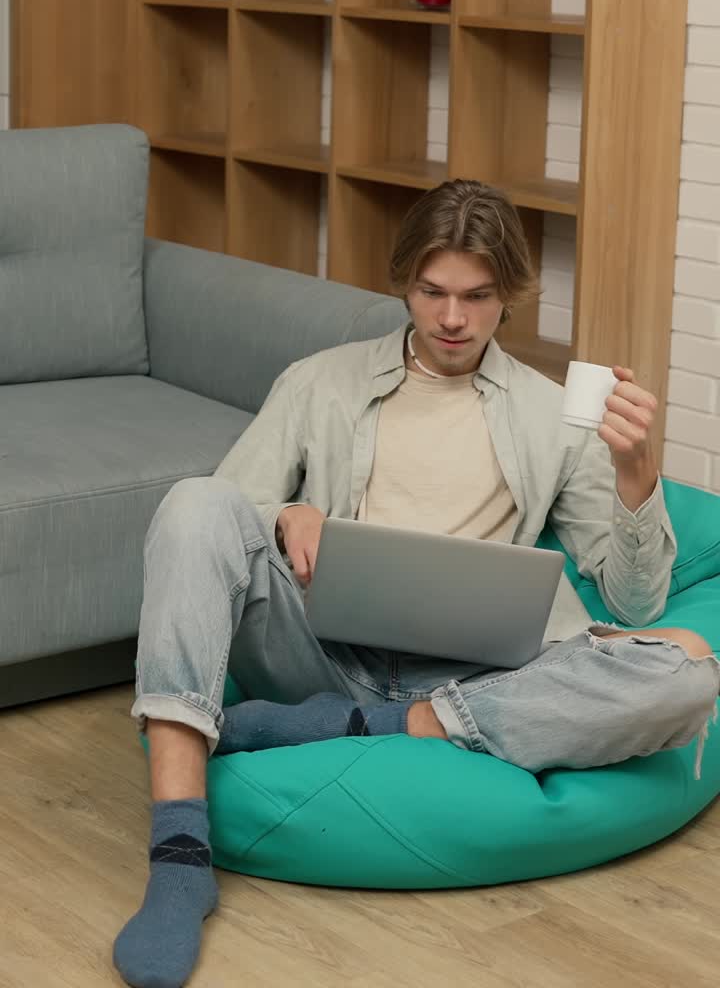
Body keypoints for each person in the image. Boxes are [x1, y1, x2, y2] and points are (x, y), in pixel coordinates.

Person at [114, 180, 719, 988]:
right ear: (404, 282)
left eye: (477, 296)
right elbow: (222, 518)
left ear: (510, 298)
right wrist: (290, 511)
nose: (452, 319)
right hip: (319, 648)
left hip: (480, 677)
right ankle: (179, 855)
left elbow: (635, 600)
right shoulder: (318, 382)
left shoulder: (552, 417)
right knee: (192, 503)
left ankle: (379, 723)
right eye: (432, 292)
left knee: (686, 670)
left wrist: (638, 477)